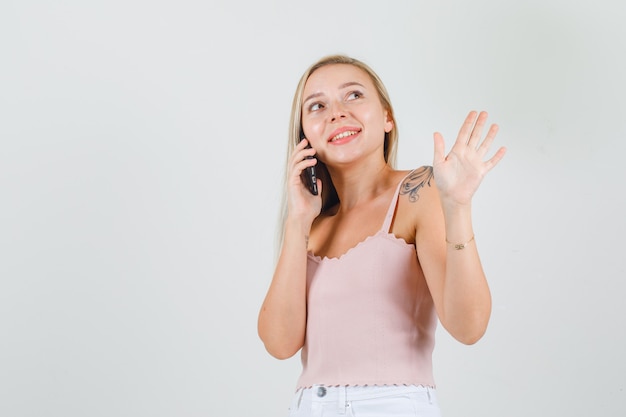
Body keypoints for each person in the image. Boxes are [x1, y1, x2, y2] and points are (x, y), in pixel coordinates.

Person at [257, 54, 506, 417]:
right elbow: (279, 344)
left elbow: (469, 327)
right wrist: (297, 222)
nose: (336, 113)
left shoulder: (417, 192)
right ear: (305, 136)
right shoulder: (311, 224)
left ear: (387, 117)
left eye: (353, 96)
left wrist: (458, 207)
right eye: (317, 106)